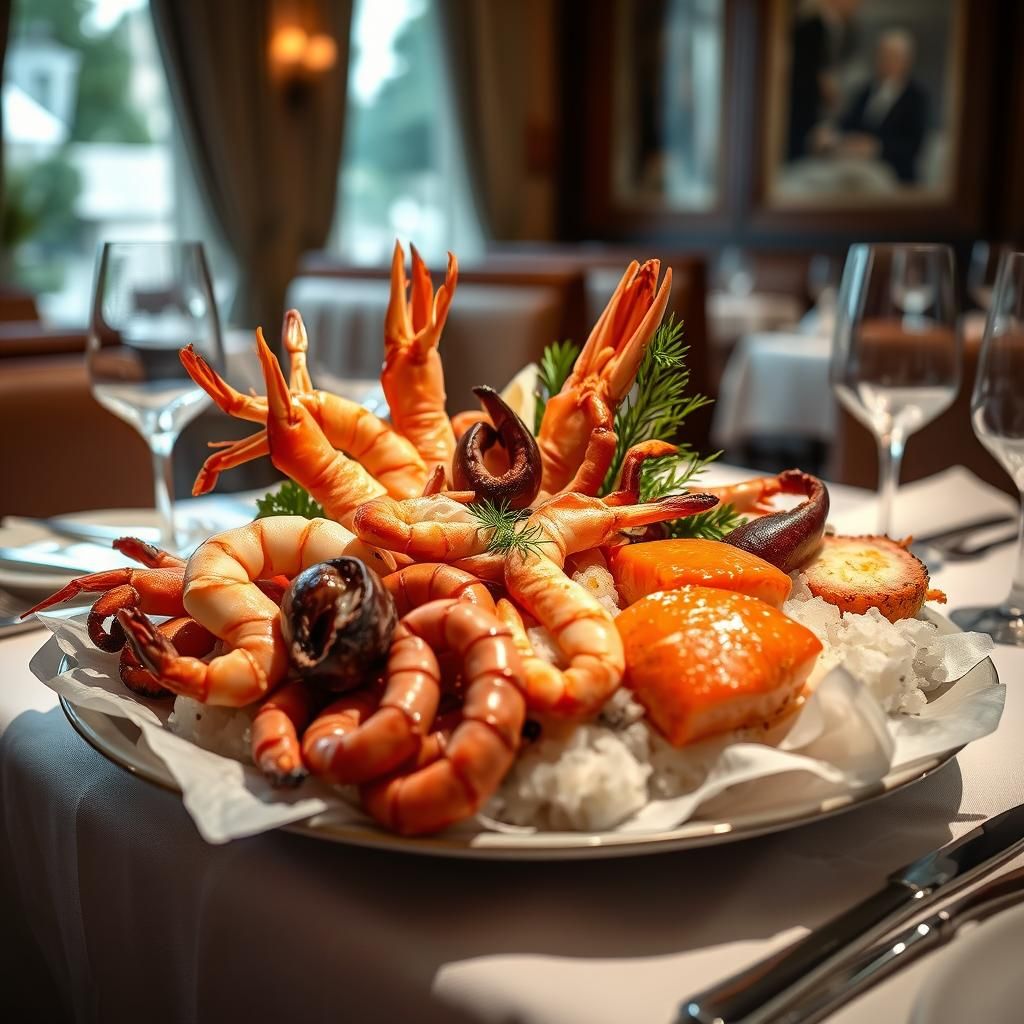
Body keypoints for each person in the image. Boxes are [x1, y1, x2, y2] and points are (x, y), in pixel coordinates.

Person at [834, 29, 928, 183]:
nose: (885, 61)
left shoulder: (916, 97)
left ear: (907, 61)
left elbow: (913, 146)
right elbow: (847, 124)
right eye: (882, 55)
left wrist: (877, 147)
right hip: (855, 168)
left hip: (895, 175)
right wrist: (834, 135)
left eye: (892, 57)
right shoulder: (864, 91)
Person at [786, 0, 862, 162]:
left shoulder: (845, 31)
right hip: (803, 117)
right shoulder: (810, 28)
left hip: (823, 120)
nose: (859, 5)